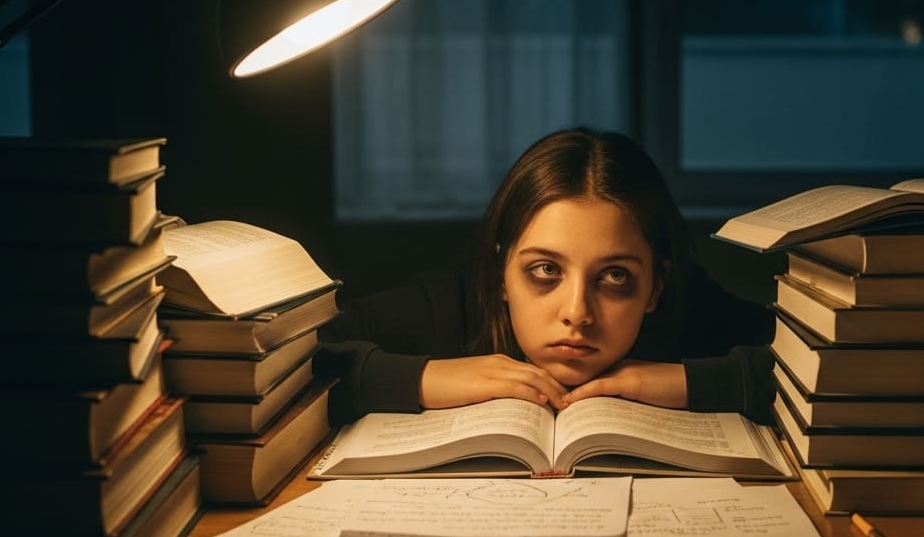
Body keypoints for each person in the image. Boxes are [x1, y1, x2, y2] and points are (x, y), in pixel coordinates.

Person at [315, 126, 775, 427]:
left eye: (615, 276)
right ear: (500, 273)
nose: (577, 313)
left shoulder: (691, 314)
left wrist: (688, 382)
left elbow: (835, 370)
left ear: (655, 285)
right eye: (545, 270)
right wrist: (424, 378)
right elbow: (288, 365)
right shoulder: (448, 309)